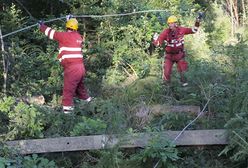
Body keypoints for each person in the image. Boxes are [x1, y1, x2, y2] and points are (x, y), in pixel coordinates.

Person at [38, 15, 92, 113]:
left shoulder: (64, 36)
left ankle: (67, 115)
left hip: (72, 69)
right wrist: (70, 20)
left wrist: (41, 26)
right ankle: (90, 104)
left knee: (68, 91)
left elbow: (51, 33)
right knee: (80, 88)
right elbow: (72, 31)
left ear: (67, 26)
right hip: (81, 68)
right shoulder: (78, 36)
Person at [153, 14, 202, 86]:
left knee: (183, 72)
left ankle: (185, 88)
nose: (170, 25)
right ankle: (167, 89)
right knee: (166, 73)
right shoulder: (166, 32)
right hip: (169, 56)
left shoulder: (182, 30)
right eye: (169, 23)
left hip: (179, 55)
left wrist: (198, 21)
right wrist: (155, 39)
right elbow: (158, 44)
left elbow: (194, 30)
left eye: (172, 23)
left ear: (176, 23)